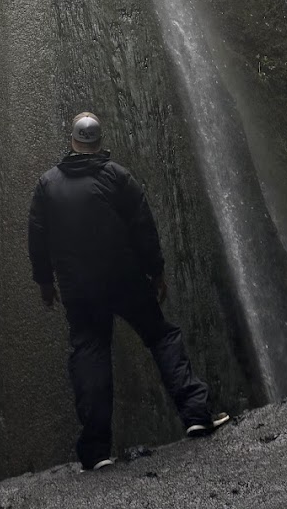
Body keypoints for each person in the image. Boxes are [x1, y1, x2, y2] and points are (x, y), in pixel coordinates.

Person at [27, 111, 229, 471]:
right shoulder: (116, 177)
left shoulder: (48, 185)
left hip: (79, 289)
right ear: (99, 143)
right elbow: (143, 225)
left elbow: (36, 238)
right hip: (124, 279)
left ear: (72, 142)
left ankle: (96, 451)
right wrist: (157, 271)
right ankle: (196, 413)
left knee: (90, 355)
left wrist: (45, 283)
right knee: (161, 337)